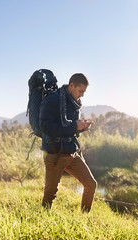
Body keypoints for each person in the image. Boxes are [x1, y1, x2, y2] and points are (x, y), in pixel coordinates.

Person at [39, 73, 97, 212]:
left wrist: (81, 128)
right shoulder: (52, 100)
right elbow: (46, 128)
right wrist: (74, 126)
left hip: (71, 151)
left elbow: (69, 128)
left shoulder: (74, 103)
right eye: (81, 90)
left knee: (90, 184)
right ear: (72, 85)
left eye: (84, 92)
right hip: (55, 154)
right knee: (50, 193)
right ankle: (42, 221)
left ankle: (84, 219)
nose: (82, 95)